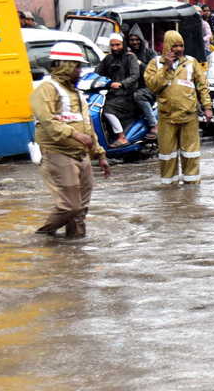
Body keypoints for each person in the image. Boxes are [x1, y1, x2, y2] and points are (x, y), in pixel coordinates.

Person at [28, 42, 111, 239]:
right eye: (77, 66)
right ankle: (39, 237)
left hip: (82, 155)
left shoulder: (77, 93)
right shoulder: (46, 90)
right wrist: (73, 134)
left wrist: (100, 154)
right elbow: (47, 120)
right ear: (64, 65)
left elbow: (87, 125)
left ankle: (75, 251)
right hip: (58, 154)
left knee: (81, 210)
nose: (80, 71)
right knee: (69, 206)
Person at [144, 30, 213, 186]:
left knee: (191, 154)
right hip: (166, 117)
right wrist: (166, 68)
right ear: (168, 46)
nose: (179, 49)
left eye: (181, 45)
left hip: (189, 116)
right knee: (167, 155)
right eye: (175, 46)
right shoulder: (155, 64)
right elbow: (153, 85)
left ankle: (192, 191)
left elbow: (202, 86)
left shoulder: (191, 62)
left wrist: (207, 107)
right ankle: (169, 191)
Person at [93, 32, 139, 147]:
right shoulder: (108, 59)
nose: (115, 48)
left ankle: (121, 137)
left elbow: (134, 75)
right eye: (112, 45)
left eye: (118, 45)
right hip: (110, 94)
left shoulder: (130, 57)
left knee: (107, 108)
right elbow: (97, 72)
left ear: (123, 44)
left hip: (127, 95)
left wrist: (121, 84)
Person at [124, 31, 158, 138]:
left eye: (137, 39)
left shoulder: (151, 54)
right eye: (132, 40)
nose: (135, 42)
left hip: (149, 87)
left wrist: (138, 62)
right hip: (132, 86)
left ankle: (153, 125)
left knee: (138, 95)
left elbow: (153, 72)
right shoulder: (127, 54)